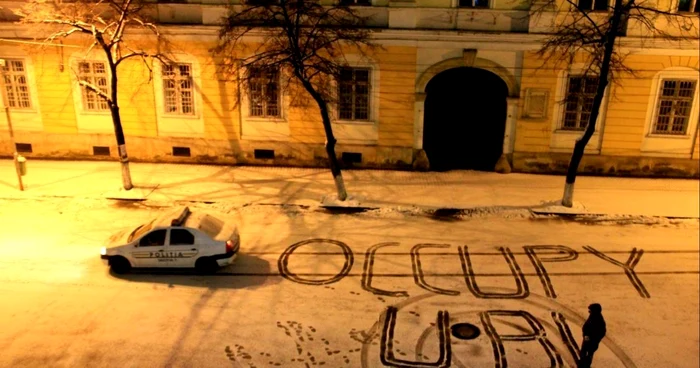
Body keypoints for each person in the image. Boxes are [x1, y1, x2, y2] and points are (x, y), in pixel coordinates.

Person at [578, 303, 606, 368]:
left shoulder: (598, 320)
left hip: (592, 341)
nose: (589, 311)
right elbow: (586, 327)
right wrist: (585, 335)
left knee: (588, 354)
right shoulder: (592, 316)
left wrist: (595, 339)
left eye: (590, 310)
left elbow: (602, 332)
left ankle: (585, 365)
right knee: (584, 352)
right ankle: (582, 363)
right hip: (587, 339)